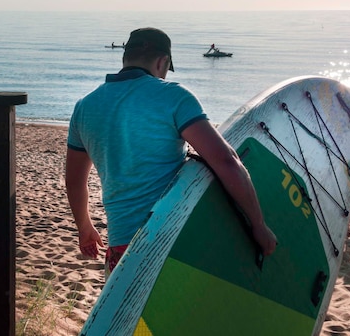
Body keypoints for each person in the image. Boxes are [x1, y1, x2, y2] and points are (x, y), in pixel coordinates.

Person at [65, 27, 277, 277]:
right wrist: (259, 224)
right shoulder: (174, 96)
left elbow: (75, 181)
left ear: (125, 58)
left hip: (122, 246)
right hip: (174, 241)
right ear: (162, 61)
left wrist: (85, 226)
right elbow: (226, 160)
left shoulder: (85, 107)